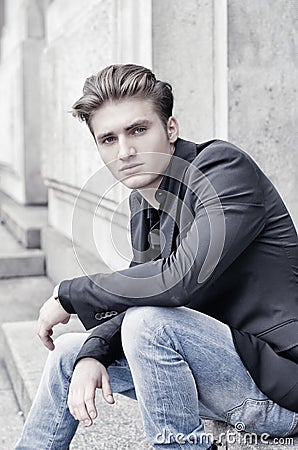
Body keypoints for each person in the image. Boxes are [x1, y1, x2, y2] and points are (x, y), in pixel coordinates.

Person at [16, 64, 298, 450]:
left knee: (149, 324)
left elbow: (179, 280)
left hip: (281, 386)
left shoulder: (224, 170)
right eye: (108, 139)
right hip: (225, 377)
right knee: (70, 352)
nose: (126, 152)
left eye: (137, 130)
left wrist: (69, 293)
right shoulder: (143, 204)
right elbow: (142, 285)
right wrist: (93, 350)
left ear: (170, 129)